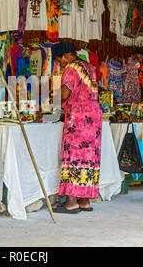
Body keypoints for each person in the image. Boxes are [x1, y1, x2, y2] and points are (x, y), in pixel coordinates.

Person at [53, 51, 103, 213]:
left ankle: (71, 202)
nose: (59, 63)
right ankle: (84, 201)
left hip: (79, 117)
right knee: (89, 157)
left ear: (66, 55)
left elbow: (66, 93)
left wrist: (50, 101)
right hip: (94, 116)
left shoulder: (71, 68)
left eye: (58, 59)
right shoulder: (89, 67)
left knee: (73, 156)